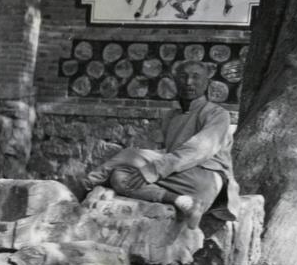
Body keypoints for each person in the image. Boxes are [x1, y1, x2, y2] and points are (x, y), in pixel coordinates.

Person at [83, 61, 239, 228]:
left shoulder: (217, 114)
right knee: (120, 177)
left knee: (130, 155)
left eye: (196, 77)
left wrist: (153, 170)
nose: (188, 82)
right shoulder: (171, 116)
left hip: (206, 180)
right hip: (178, 180)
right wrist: (150, 169)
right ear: (175, 81)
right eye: (183, 77)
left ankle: (86, 184)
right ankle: (184, 202)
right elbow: (165, 152)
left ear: (206, 83)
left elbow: (198, 150)